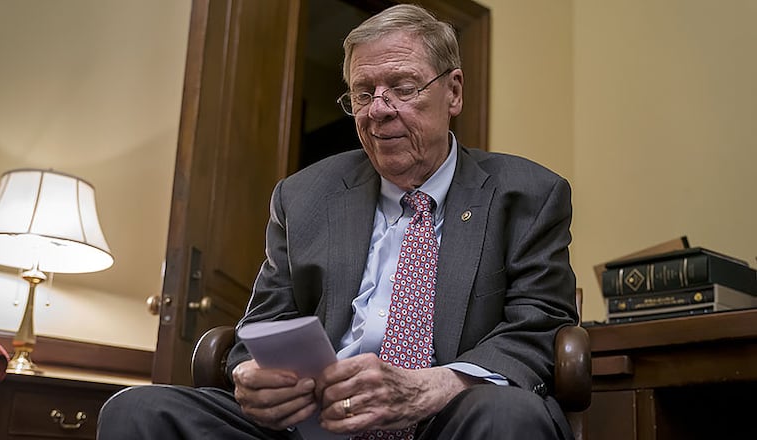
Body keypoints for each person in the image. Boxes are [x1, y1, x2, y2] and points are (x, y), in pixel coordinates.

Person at [98, 3, 577, 440]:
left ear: (452, 91)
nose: (379, 110)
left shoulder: (528, 194)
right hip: (316, 426)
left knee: (507, 416)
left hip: (446, 415)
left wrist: (428, 387)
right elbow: (263, 327)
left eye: (404, 88)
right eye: (363, 94)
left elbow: (540, 325)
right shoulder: (304, 196)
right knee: (137, 411)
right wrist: (251, 376)